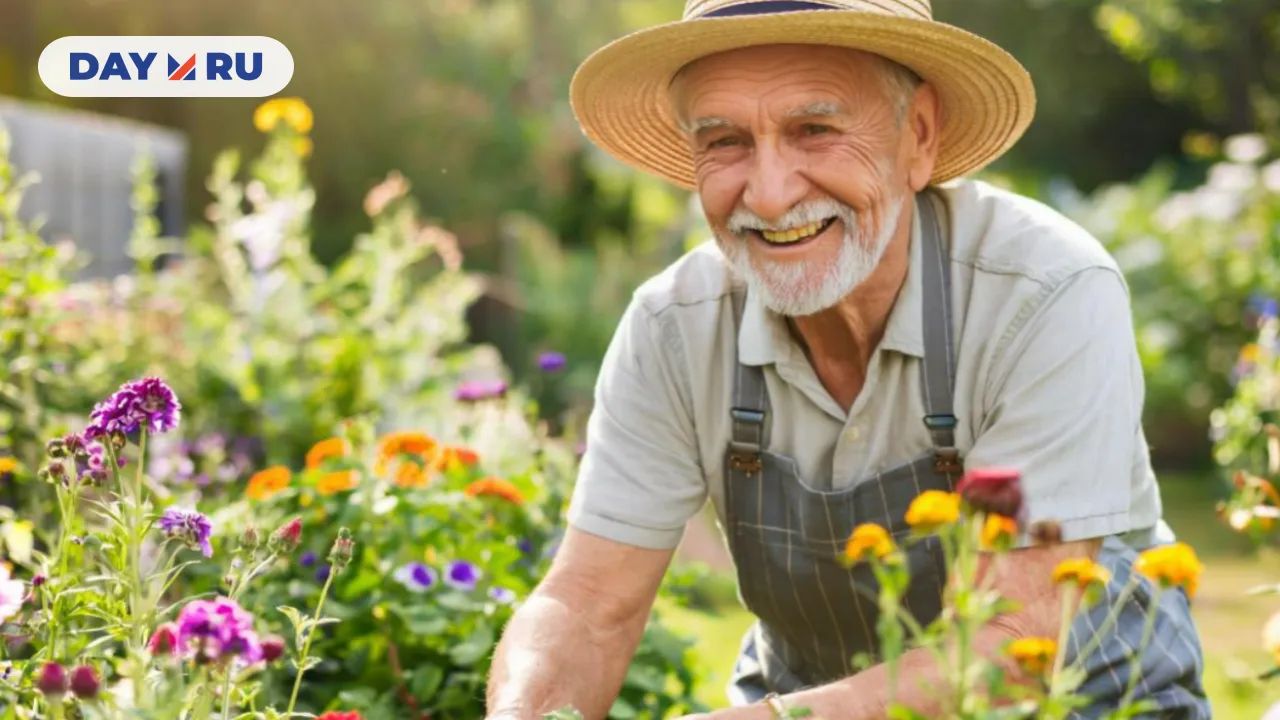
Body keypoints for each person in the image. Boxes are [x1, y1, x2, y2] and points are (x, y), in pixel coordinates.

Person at [486, 1, 1210, 717]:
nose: (770, 196)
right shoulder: (674, 327)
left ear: (918, 135)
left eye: (815, 131)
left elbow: (1010, 650)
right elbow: (587, 604)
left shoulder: (1044, 293)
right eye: (725, 141)